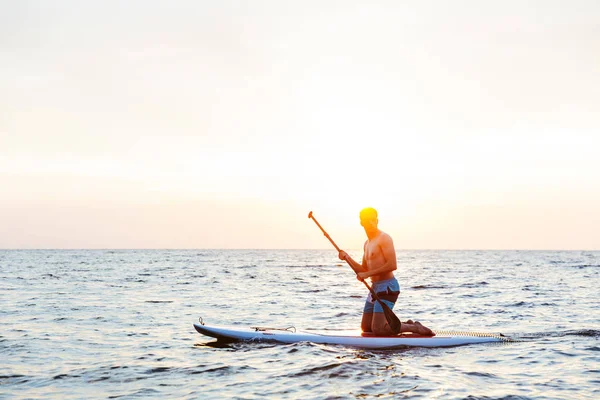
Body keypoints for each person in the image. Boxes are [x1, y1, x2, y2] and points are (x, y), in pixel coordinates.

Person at [338, 207, 433, 336]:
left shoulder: (384, 238)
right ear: (362, 223)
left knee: (378, 329)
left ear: (377, 221)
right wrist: (347, 258)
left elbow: (392, 265)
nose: (371, 223)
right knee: (366, 328)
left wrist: (366, 274)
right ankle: (402, 324)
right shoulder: (367, 243)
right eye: (367, 220)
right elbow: (364, 269)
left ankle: (415, 327)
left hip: (388, 287)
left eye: (373, 220)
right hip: (375, 288)